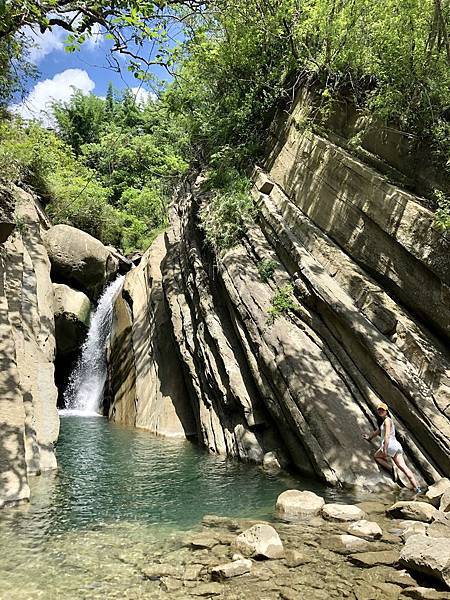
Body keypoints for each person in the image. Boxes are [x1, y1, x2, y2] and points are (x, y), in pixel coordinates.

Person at [364, 402, 421, 494]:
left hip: (389, 445)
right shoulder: (385, 422)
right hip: (396, 446)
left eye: (382, 410)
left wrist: (385, 448)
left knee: (376, 456)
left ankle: (391, 468)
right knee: (404, 467)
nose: (380, 411)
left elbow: (386, 436)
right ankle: (417, 489)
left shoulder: (387, 421)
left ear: (386, 411)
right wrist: (369, 438)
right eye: (379, 410)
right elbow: (377, 432)